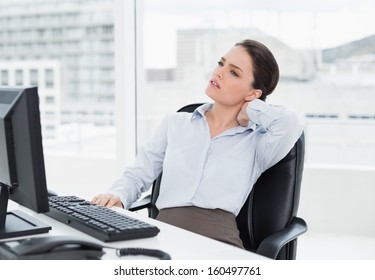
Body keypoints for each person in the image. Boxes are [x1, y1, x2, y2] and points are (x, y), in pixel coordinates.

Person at [92, 39, 303, 249]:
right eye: (221, 64)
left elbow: (292, 123)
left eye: (234, 72)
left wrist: (251, 110)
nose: (218, 73)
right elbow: (137, 175)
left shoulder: (257, 142)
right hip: (163, 237)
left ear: (253, 93)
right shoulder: (174, 124)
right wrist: (117, 196)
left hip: (219, 244)